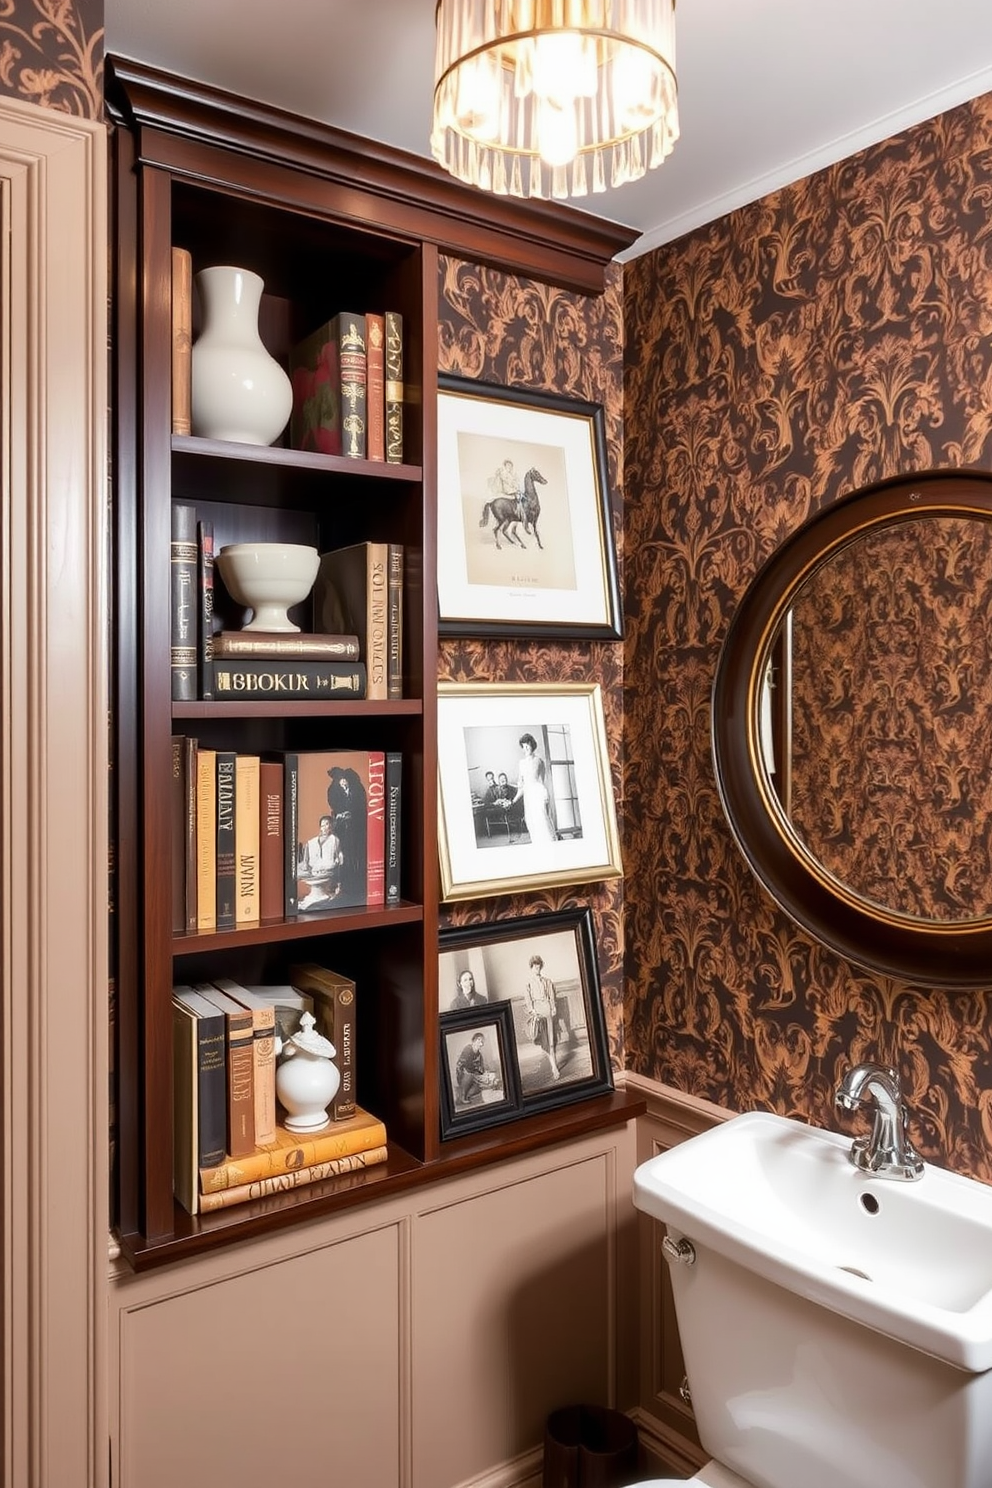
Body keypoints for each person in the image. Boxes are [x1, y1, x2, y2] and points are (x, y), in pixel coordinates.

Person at [512, 732, 557, 844]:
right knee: (531, 822)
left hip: (538, 794)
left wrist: (546, 795)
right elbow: (521, 786)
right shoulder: (521, 763)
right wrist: (513, 801)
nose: (526, 748)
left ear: (532, 745)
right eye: (524, 746)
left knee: (542, 820)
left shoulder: (539, 761)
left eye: (528, 745)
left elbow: (543, 781)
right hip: (528, 796)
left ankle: (550, 845)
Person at [523, 953, 562, 1080]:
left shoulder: (547, 981)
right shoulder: (528, 983)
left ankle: (554, 1067)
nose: (537, 969)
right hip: (538, 1015)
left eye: (538, 967)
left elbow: (551, 996)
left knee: (551, 1042)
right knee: (545, 1042)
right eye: (534, 967)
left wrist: (553, 1007)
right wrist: (533, 1011)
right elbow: (528, 1001)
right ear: (531, 968)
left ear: (541, 967)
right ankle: (553, 1065)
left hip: (548, 1013)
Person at [298, 814, 343, 909]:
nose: (326, 827)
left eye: (328, 824)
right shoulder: (312, 841)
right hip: (313, 868)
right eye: (323, 825)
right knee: (298, 870)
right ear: (320, 827)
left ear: (331, 826)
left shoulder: (334, 840)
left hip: (327, 868)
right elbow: (308, 857)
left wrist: (338, 860)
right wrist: (306, 864)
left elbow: (338, 857)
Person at [454, 1031, 500, 1104]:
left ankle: (466, 1095)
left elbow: (481, 1067)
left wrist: (484, 1073)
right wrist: (476, 1071)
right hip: (463, 1074)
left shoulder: (479, 1054)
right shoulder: (468, 1049)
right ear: (474, 1040)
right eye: (479, 1041)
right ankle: (463, 1096)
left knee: (479, 1087)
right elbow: (464, 1065)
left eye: (482, 1042)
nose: (481, 1044)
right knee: (469, 1075)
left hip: (474, 1074)